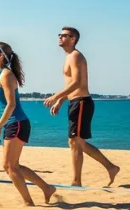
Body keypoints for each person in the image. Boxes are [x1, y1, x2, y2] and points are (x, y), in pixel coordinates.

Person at [0, 42, 56, 206]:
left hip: (17, 123)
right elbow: (0, 102)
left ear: (0, 55)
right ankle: (46, 188)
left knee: (8, 166)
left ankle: (28, 202)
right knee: (14, 165)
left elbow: (11, 105)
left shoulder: (6, 75)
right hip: (13, 123)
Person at [43, 27, 120, 186]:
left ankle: (77, 181)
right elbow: (71, 84)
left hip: (82, 102)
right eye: (59, 34)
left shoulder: (76, 56)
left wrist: (55, 96)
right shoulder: (69, 56)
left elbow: (78, 82)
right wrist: (61, 100)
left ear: (73, 39)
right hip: (75, 102)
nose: (60, 37)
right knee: (78, 142)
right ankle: (111, 167)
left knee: (75, 141)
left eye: (64, 35)